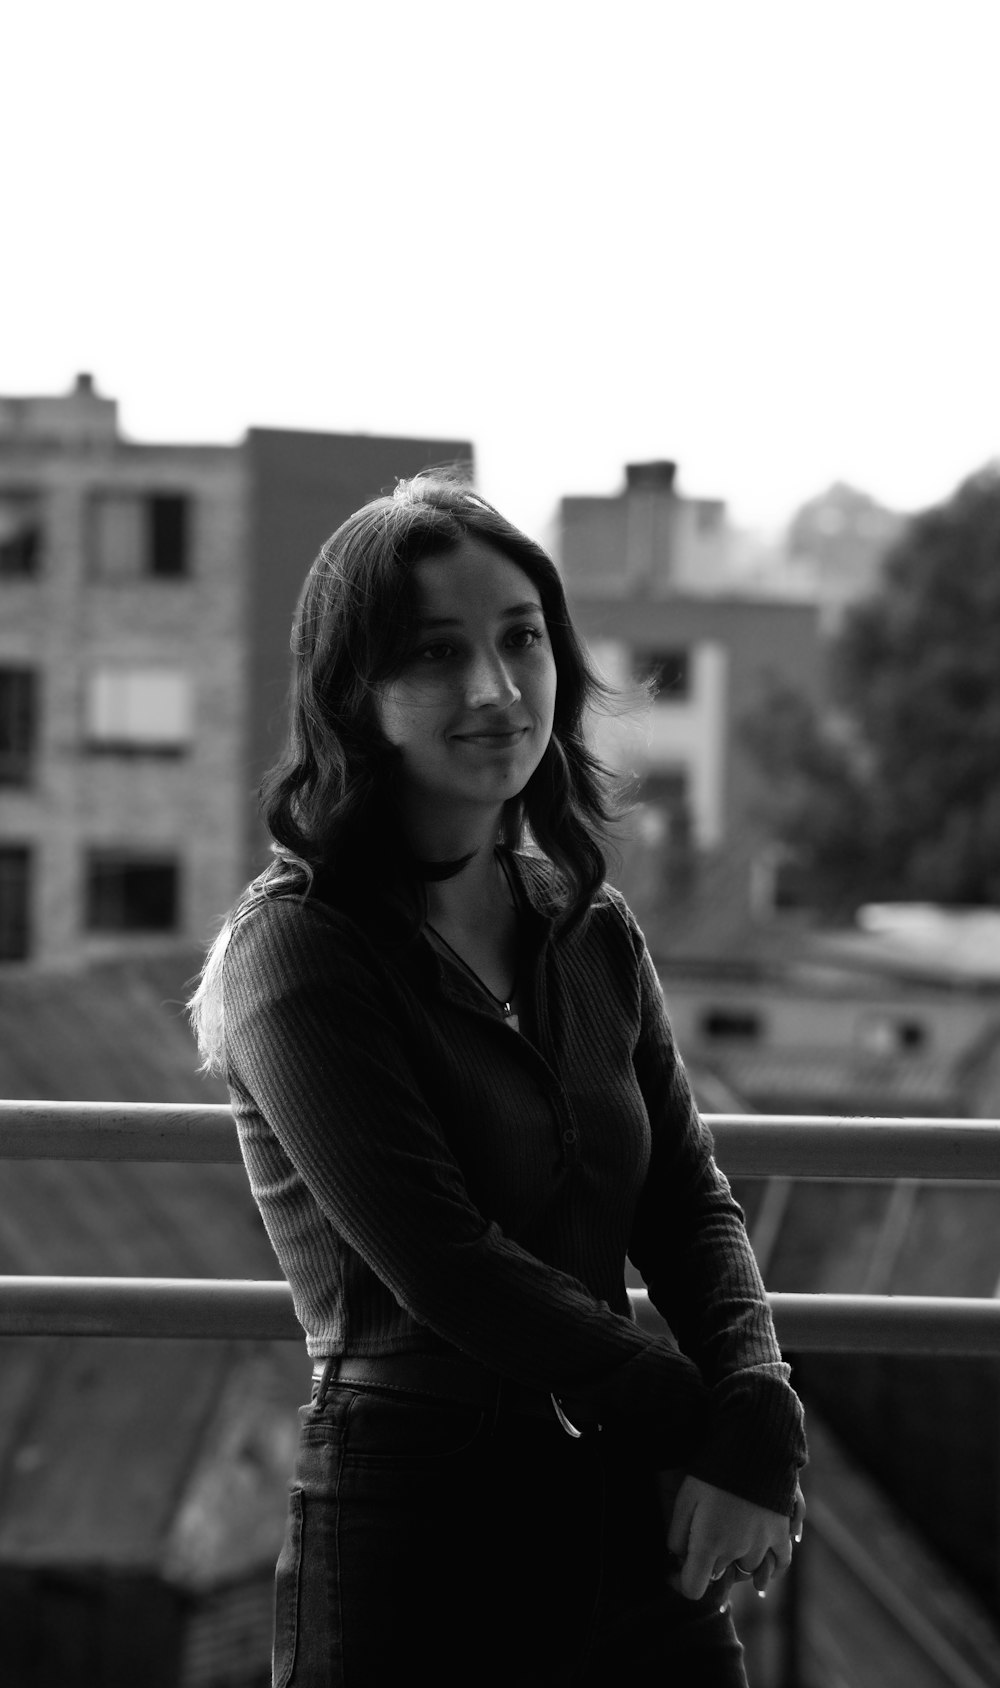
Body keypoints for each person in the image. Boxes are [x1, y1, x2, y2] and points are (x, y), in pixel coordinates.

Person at [189, 475, 806, 1687]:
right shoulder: (300, 948)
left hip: (625, 1516)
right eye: (434, 653)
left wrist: (759, 1395)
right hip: (420, 1532)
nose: (495, 688)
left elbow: (689, 1203)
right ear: (354, 692)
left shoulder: (587, 926)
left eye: (521, 638)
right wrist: (718, 1429)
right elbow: (445, 1266)